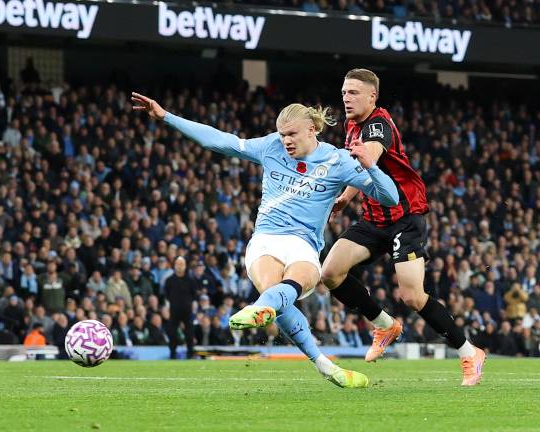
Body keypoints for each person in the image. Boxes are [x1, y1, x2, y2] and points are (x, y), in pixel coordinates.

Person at [132, 92, 399, 388]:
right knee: (276, 293)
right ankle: (277, 319)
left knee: (300, 281)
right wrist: (166, 116)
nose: (286, 140)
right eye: (282, 134)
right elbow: (219, 141)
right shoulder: (271, 146)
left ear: (312, 129)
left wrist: (371, 167)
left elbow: (390, 197)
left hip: (303, 244)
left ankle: (317, 359)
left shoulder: (338, 161)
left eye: (292, 134)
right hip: (266, 239)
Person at [320, 68, 485, 386]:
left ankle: (469, 352)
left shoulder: (379, 124)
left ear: (372, 96)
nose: (346, 98)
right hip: (373, 218)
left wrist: (338, 163)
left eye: (353, 92)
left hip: (405, 219)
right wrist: (345, 197)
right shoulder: (351, 125)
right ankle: (384, 324)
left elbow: (370, 155)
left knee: (412, 296)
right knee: (330, 272)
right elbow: (360, 169)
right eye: (343, 92)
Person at [164, 256, 198, 359]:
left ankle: (190, 353)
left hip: (187, 311)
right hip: (173, 311)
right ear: (174, 266)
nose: (179, 266)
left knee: (189, 333)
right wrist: (166, 308)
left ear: (185, 266)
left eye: (181, 264)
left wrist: (194, 309)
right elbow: (166, 297)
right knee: (172, 333)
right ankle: (172, 353)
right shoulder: (169, 280)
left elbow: (194, 297)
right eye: (178, 264)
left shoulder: (191, 280)